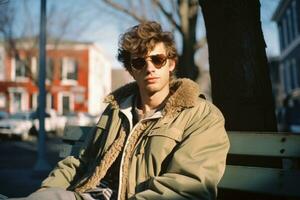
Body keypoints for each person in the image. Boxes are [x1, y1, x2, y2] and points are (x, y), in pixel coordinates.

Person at [8, 21, 229, 200]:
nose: (150, 67)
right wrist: (46, 191)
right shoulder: (116, 110)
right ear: (131, 70)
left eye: (158, 59)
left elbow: (188, 186)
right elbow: (80, 162)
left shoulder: (200, 115)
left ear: (171, 64)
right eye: (140, 62)